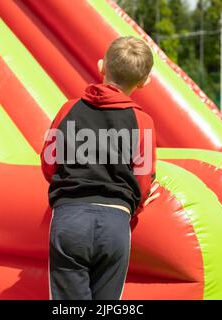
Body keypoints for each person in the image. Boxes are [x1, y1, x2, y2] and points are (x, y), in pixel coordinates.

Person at [41, 36, 159, 300]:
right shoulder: (143, 121)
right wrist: (136, 205)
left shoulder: (68, 110)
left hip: (69, 219)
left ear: (101, 66)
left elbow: (49, 163)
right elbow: (144, 179)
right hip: (115, 223)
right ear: (144, 81)